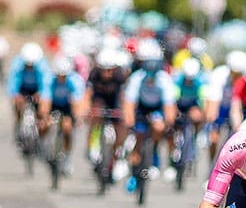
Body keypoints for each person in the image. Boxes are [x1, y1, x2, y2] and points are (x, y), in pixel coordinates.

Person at [122, 39, 176, 189]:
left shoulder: (164, 79)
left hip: (157, 108)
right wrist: (130, 122)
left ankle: (154, 150)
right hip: (141, 108)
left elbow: (169, 105)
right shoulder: (137, 77)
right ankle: (133, 171)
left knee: (158, 127)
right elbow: (129, 103)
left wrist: (169, 122)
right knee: (138, 136)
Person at [38, 56, 86, 175]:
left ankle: (66, 158)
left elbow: (77, 102)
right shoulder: (48, 79)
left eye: (64, 76)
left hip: (67, 106)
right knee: (43, 125)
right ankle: (42, 147)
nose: (62, 78)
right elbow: (45, 100)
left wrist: (77, 117)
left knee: (67, 128)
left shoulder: (75, 80)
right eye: (59, 75)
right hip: (53, 104)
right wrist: (44, 116)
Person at [85, 48, 129, 178]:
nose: (106, 73)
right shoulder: (94, 74)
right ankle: (93, 145)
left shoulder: (120, 76)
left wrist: (125, 112)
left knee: (121, 124)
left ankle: (118, 152)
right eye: (103, 70)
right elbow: (88, 94)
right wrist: (86, 110)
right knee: (96, 114)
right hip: (100, 99)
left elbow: (124, 97)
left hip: (115, 100)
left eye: (110, 70)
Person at [7, 42, 48, 142]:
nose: (29, 67)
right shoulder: (17, 63)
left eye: (32, 65)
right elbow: (13, 80)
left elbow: (46, 82)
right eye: (27, 65)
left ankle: (39, 134)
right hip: (23, 88)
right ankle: (18, 122)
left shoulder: (43, 64)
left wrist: (41, 93)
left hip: (36, 88)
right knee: (18, 104)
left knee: (41, 111)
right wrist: (16, 94)